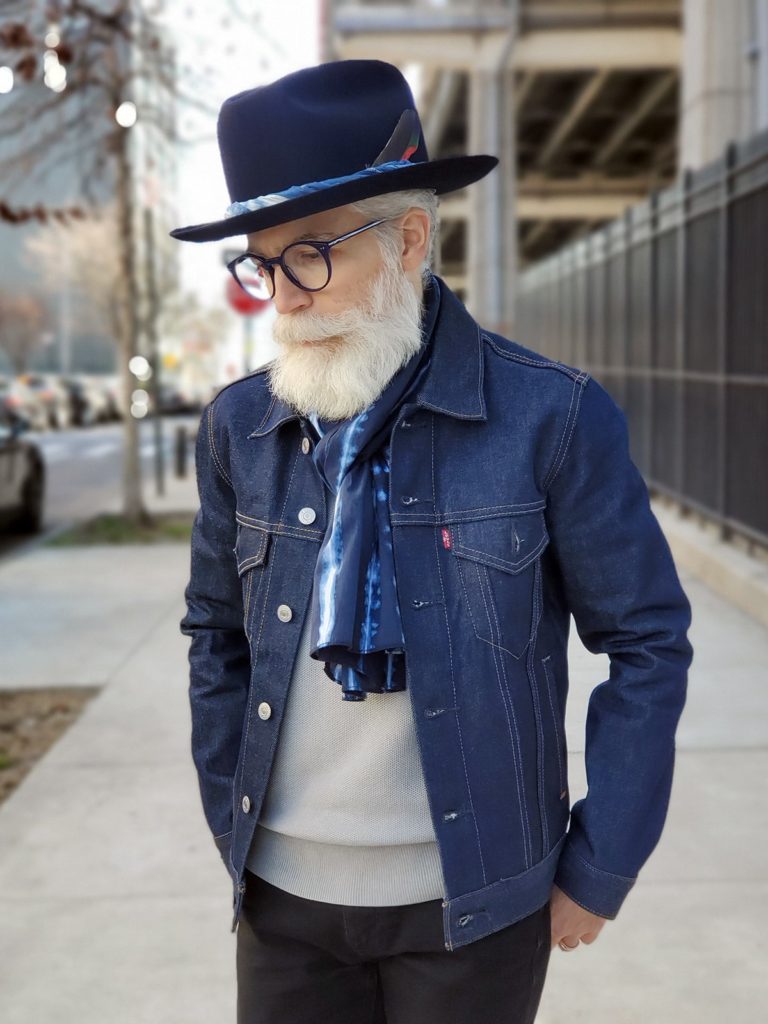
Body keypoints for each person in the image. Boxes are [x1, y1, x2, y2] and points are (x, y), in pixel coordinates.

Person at [173, 59, 693, 1024]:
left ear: (410, 238)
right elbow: (216, 637)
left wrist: (601, 859)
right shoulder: (240, 429)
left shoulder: (551, 417)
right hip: (283, 908)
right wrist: (229, 819)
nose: (282, 296)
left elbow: (647, 641)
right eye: (260, 262)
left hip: (475, 905)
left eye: (309, 255)